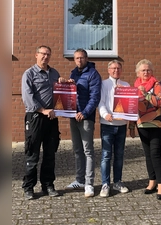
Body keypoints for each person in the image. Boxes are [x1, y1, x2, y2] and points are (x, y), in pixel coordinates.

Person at [60, 49, 102, 197]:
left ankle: (89, 183)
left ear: (86, 58)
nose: (79, 60)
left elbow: (95, 97)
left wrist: (84, 113)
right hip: (73, 116)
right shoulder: (74, 73)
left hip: (85, 118)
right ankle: (79, 180)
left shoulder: (93, 74)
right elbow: (71, 94)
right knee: (77, 150)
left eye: (81, 58)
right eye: (76, 58)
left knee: (88, 151)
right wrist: (66, 84)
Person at [21, 45, 61, 200]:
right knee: (32, 154)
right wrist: (43, 110)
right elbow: (27, 97)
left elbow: (60, 93)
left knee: (50, 154)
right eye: (43, 54)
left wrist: (67, 84)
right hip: (36, 118)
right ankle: (29, 187)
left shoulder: (54, 73)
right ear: (36, 55)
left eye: (48, 54)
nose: (46, 57)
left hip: (51, 119)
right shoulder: (29, 74)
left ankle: (48, 185)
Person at [130, 59, 161, 200]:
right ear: (138, 73)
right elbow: (132, 108)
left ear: (152, 71)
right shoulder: (135, 85)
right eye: (143, 70)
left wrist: (146, 94)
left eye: (148, 70)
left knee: (155, 153)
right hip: (142, 125)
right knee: (147, 155)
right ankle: (152, 182)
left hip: (157, 124)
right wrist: (132, 126)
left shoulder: (157, 85)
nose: (146, 72)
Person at [98, 60, 133, 197]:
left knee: (119, 155)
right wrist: (105, 114)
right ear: (108, 70)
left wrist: (130, 122)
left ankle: (117, 181)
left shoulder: (126, 85)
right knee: (106, 155)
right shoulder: (103, 84)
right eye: (113, 68)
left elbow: (130, 104)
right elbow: (100, 102)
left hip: (121, 125)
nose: (116, 70)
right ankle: (105, 184)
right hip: (107, 124)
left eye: (118, 68)